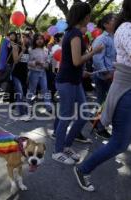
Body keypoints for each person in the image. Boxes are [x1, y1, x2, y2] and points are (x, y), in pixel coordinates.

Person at [74, 0, 131, 198]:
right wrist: (103, 73)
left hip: (125, 84)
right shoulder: (127, 28)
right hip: (127, 89)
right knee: (119, 143)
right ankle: (83, 169)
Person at [52, 2, 103, 165]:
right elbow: (76, 61)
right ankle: (57, 151)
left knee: (84, 115)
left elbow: (72, 61)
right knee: (66, 116)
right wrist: (94, 51)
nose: (90, 18)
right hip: (67, 81)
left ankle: (66, 145)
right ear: (84, 16)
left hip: (74, 80)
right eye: (89, 15)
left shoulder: (74, 33)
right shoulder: (74, 34)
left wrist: (82, 72)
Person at [92, 13, 117, 140]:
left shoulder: (116, 37)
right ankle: (99, 127)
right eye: (114, 20)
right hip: (104, 76)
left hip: (114, 75)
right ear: (106, 24)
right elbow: (97, 59)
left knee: (106, 102)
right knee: (103, 102)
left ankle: (96, 121)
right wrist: (105, 73)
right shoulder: (101, 39)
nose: (117, 21)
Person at [27, 33, 52, 113]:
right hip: (33, 72)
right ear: (34, 40)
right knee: (32, 90)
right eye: (37, 39)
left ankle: (48, 107)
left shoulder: (45, 49)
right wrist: (36, 62)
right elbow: (28, 62)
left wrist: (47, 64)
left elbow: (48, 60)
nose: (40, 40)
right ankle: (28, 105)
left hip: (43, 72)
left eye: (41, 39)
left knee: (45, 89)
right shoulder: (30, 50)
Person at [11, 33, 31, 121]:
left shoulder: (29, 49)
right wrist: (22, 51)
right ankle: (23, 113)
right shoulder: (16, 47)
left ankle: (21, 110)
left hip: (24, 74)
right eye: (23, 37)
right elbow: (15, 61)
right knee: (20, 93)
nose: (24, 39)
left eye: (26, 37)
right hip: (16, 74)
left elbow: (28, 64)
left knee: (24, 94)